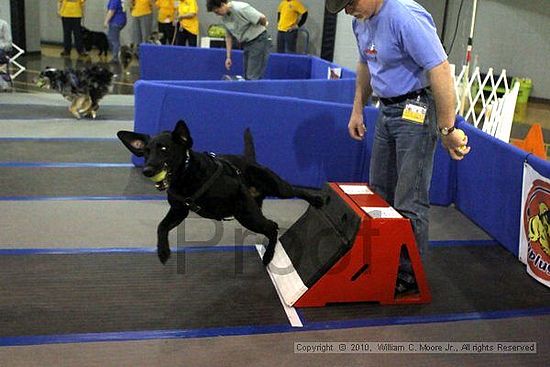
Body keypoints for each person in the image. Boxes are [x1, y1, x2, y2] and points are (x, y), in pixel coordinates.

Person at [326, 0, 470, 290]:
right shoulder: (361, 22)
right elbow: (365, 64)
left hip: (417, 110)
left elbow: (440, 69)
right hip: (387, 110)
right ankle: (383, 262)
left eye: (350, 2)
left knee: (409, 199)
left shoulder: (404, 16)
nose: (348, 10)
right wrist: (357, 109)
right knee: (379, 194)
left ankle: (408, 275)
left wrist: (448, 128)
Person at [207, 0, 271, 80]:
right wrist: (228, 57)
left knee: (252, 76)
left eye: (217, 12)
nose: (217, 15)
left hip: (259, 40)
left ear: (223, 5)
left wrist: (262, 29)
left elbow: (262, 18)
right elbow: (228, 37)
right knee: (247, 75)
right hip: (247, 43)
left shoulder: (240, 8)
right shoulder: (224, 18)